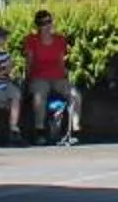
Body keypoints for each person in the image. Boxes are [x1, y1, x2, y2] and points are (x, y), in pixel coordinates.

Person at [21, 8, 77, 143]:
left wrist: (66, 77)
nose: (46, 26)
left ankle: (74, 130)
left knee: (75, 95)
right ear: (37, 26)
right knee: (40, 95)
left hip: (57, 77)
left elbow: (61, 61)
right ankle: (39, 132)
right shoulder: (31, 40)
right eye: (42, 23)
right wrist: (27, 79)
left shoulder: (60, 40)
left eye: (48, 22)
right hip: (39, 77)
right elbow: (29, 62)